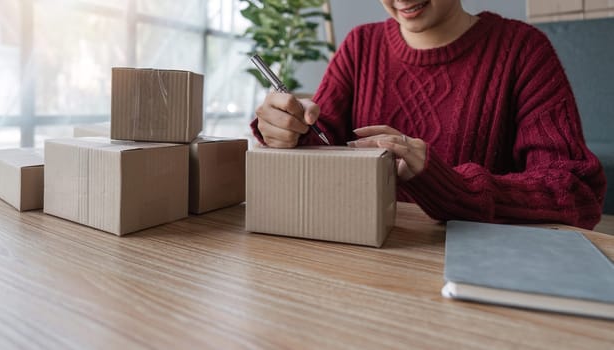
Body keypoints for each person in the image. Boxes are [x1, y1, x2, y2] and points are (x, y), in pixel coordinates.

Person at [250, 0, 606, 230]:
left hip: (478, 269)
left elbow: (575, 194)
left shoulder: (524, 50)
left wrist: (451, 187)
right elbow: (320, 139)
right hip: (368, 257)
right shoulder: (360, 46)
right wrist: (287, 129)